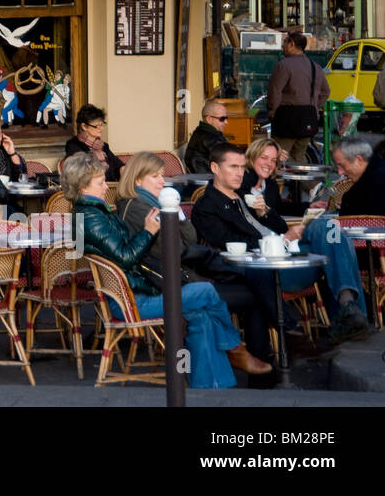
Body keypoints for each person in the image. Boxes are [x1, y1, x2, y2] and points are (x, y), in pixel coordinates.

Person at [63, 152, 271, 387]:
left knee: (201, 314)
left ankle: (213, 387)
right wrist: (148, 231)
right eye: (100, 182)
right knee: (205, 292)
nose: (105, 186)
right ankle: (235, 348)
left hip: (134, 292)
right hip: (131, 301)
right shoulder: (91, 217)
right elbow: (126, 258)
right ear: (82, 187)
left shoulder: (92, 213)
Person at [191, 143, 369, 343]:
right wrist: (282, 241)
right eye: (234, 167)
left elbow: (281, 225)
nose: (240, 173)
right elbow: (233, 244)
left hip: (289, 254)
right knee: (337, 247)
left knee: (329, 228)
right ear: (215, 168)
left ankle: (348, 308)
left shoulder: (243, 195)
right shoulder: (206, 207)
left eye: (242, 167)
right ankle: (351, 312)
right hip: (268, 266)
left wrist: (265, 212)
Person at [114, 150, 274, 362]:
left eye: (162, 175)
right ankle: (250, 353)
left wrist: (177, 213)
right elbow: (177, 249)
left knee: (252, 288)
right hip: (170, 284)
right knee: (252, 295)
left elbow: (190, 238)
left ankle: (257, 356)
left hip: (178, 278)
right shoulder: (138, 208)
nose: (163, 181)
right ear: (137, 179)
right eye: (155, 176)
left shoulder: (152, 204)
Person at [267, 32, 330, 163]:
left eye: (285, 43)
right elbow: (325, 91)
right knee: (299, 157)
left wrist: (272, 111)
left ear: (291, 44)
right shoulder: (315, 67)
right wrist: (315, 106)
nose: (282, 46)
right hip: (308, 118)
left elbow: (275, 91)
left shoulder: (283, 65)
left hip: (287, 118)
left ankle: (278, 183)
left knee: (278, 156)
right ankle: (306, 183)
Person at [64, 104, 123, 185]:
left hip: (111, 191)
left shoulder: (103, 146)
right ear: (84, 126)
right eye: (97, 126)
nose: (101, 128)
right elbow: (81, 175)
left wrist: (124, 169)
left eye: (102, 124)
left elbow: (119, 166)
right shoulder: (74, 146)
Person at [241, 137, 297, 217]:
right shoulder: (241, 182)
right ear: (252, 157)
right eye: (264, 158)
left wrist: (309, 207)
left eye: (273, 160)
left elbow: (279, 207)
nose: (269, 164)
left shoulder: (270, 182)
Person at [332, 137, 385, 216]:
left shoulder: (379, 181)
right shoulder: (369, 177)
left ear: (358, 160)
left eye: (342, 166)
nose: (340, 172)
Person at [184, 100, 230, 174]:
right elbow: (229, 159)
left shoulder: (202, 132)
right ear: (209, 119)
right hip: (209, 180)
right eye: (222, 119)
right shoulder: (209, 138)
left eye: (226, 118)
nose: (226, 122)